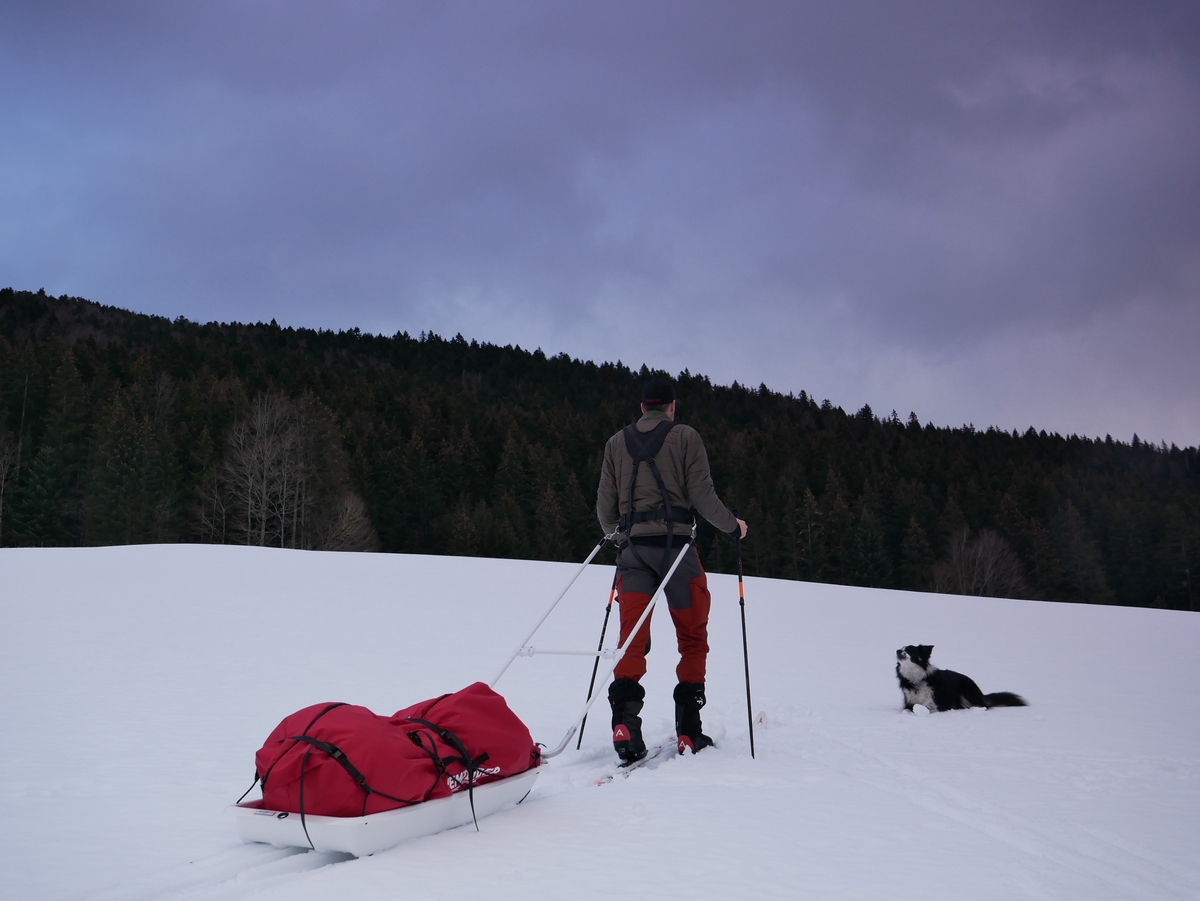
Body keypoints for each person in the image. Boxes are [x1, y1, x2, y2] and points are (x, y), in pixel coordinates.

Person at [596, 377, 748, 762]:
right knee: (693, 637)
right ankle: (689, 732)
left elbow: (604, 507)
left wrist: (619, 539)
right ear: (672, 406)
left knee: (631, 638)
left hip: (633, 553)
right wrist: (733, 525)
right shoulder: (685, 437)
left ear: (643, 405)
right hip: (677, 551)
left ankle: (625, 726)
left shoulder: (616, 442)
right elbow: (701, 494)